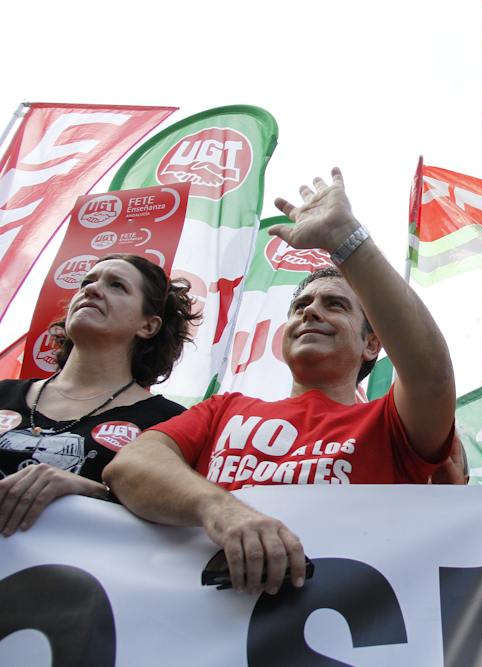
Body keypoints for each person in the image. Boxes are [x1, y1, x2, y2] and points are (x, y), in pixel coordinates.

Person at [104, 167, 457, 596]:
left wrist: (345, 238)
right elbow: (130, 466)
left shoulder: (391, 423)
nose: (310, 312)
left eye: (335, 305)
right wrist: (219, 508)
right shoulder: (223, 410)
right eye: (301, 305)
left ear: (371, 345)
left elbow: (431, 375)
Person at [0, 254, 199, 536]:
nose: (91, 290)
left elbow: (183, 521)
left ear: (148, 326)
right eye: (87, 281)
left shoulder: (170, 422)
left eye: (117, 285)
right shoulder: (2, 392)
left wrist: (95, 492)